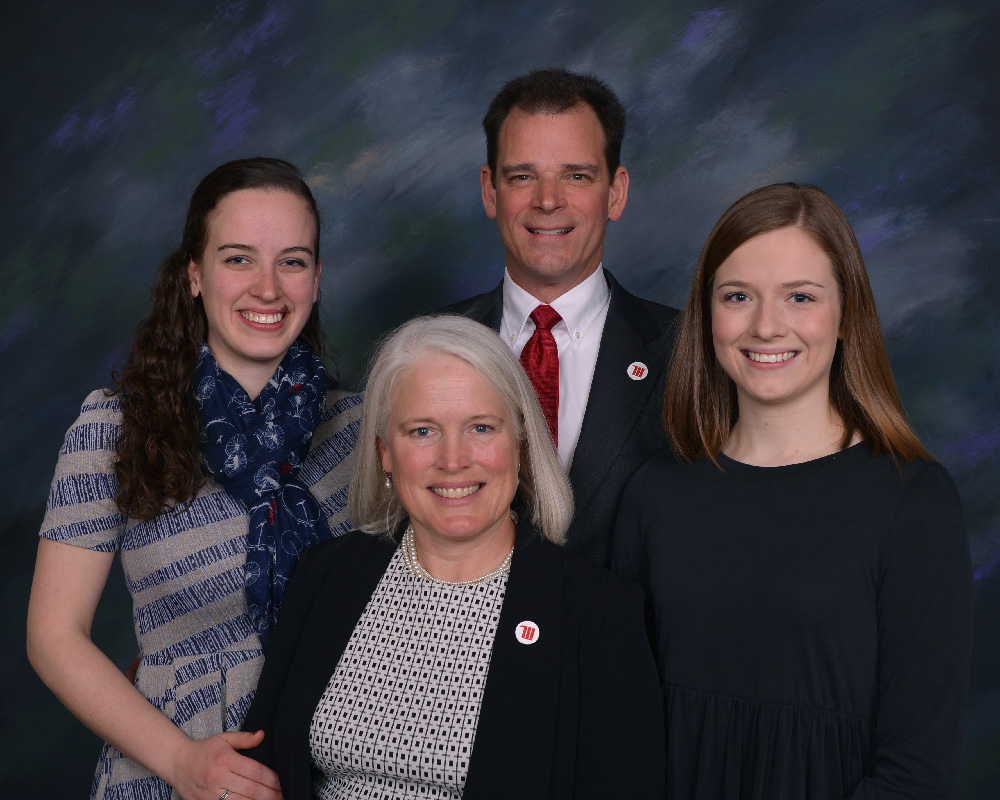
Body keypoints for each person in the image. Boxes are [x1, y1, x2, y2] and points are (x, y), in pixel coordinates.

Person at [612, 183, 973, 798]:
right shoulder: (656, 494)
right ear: (707, 316)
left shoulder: (912, 503)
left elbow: (918, 772)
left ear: (846, 316)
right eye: (737, 297)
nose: (766, 325)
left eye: (799, 297)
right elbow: (617, 729)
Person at [26, 157, 363, 800]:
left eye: (291, 261)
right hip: (170, 773)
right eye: (238, 259)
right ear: (194, 275)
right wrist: (181, 762)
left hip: (337, 770)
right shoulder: (113, 429)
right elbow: (52, 636)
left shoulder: (364, 430)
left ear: (315, 280)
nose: (268, 288)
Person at [241, 314, 664, 799]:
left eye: (481, 428)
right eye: (422, 431)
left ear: (520, 444)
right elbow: (262, 763)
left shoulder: (599, 615)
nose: (453, 460)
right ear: (385, 452)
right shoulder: (328, 573)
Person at [443, 68, 679, 568]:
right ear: (490, 191)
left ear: (615, 192)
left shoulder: (692, 353)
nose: (547, 200)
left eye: (576, 175)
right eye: (522, 175)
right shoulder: (430, 348)